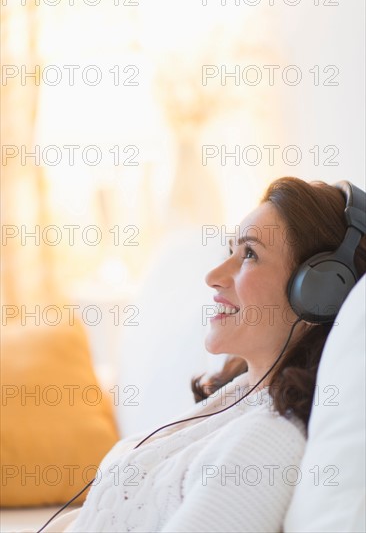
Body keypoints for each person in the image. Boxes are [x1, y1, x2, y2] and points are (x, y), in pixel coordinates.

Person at [35, 176, 366, 533]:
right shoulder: (236, 394)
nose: (212, 276)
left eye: (250, 254)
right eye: (230, 251)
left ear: (320, 290)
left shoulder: (267, 445)